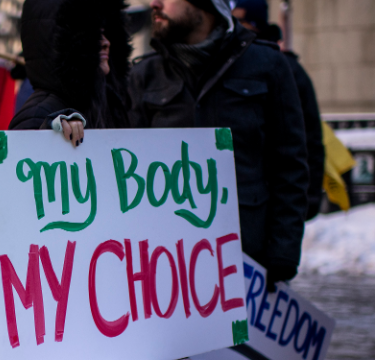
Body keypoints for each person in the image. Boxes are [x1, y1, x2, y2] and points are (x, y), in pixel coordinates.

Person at [127, 0, 308, 292]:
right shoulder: (143, 76)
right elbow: (122, 174)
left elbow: (290, 167)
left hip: (247, 263)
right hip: (167, 272)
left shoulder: (268, 66)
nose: (154, 3)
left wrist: (282, 254)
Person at [231, 0, 325, 220]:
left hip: (274, 202)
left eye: (240, 20)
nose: (235, 27)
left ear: (255, 23)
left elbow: (307, 140)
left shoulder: (285, 69)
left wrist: (307, 200)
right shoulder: (230, 64)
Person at [9, 0, 133, 145]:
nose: (106, 43)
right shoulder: (37, 115)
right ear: (65, 42)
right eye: (92, 32)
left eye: (106, 32)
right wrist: (50, 135)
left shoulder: (112, 106)